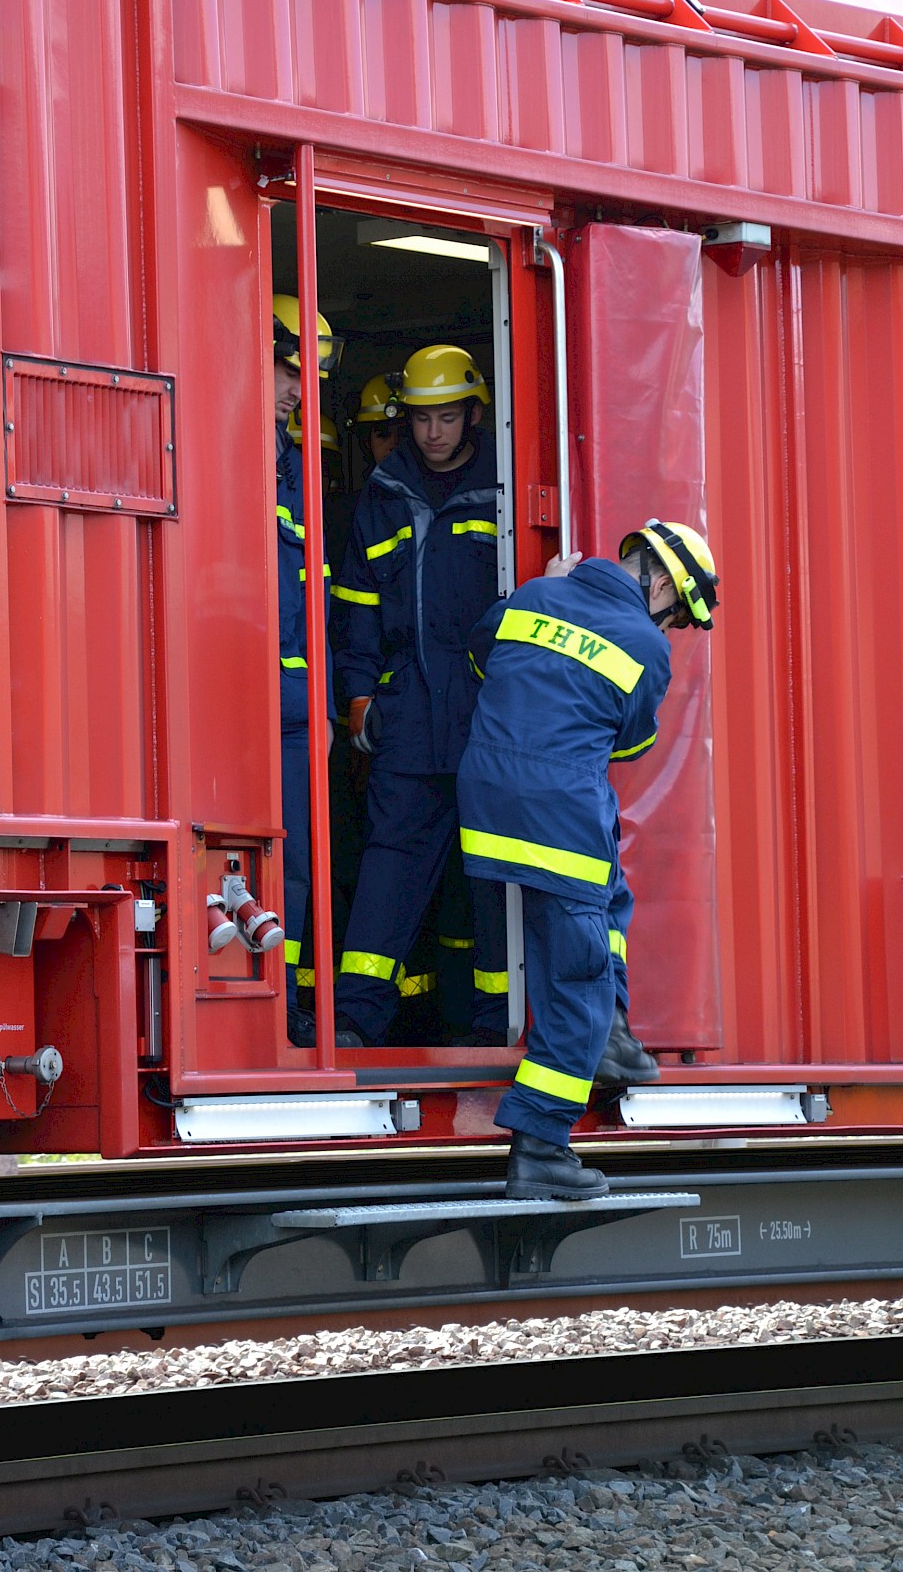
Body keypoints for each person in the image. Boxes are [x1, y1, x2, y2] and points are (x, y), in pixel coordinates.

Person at [458, 520, 719, 1199]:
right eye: (676, 612)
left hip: (486, 803)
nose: (672, 626)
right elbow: (627, 748)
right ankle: (543, 1144)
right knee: (576, 982)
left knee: (611, 895)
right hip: (557, 809)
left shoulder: (538, 594)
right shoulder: (644, 644)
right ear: (661, 582)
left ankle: (614, 1033)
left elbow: (481, 657)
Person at [329, 344, 499, 1047]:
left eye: (447, 417)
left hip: (488, 723)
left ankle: (495, 1028)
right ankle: (353, 1024)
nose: (433, 433)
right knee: (387, 877)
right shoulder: (382, 493)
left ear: (473, 415)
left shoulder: (504, 485)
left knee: (491, 886)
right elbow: (356, 611)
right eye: (422, 419)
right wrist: (360, 698)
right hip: (407, 723)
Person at [271, 294, 357, 1050]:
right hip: (245, 696)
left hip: (301, 702)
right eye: (289, 371)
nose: (301, 390)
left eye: (309, 377)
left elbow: (314, 593)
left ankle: (286, 1006)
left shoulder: (295, 464)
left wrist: (326, 705)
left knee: (298, 864)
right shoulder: (226, 452)